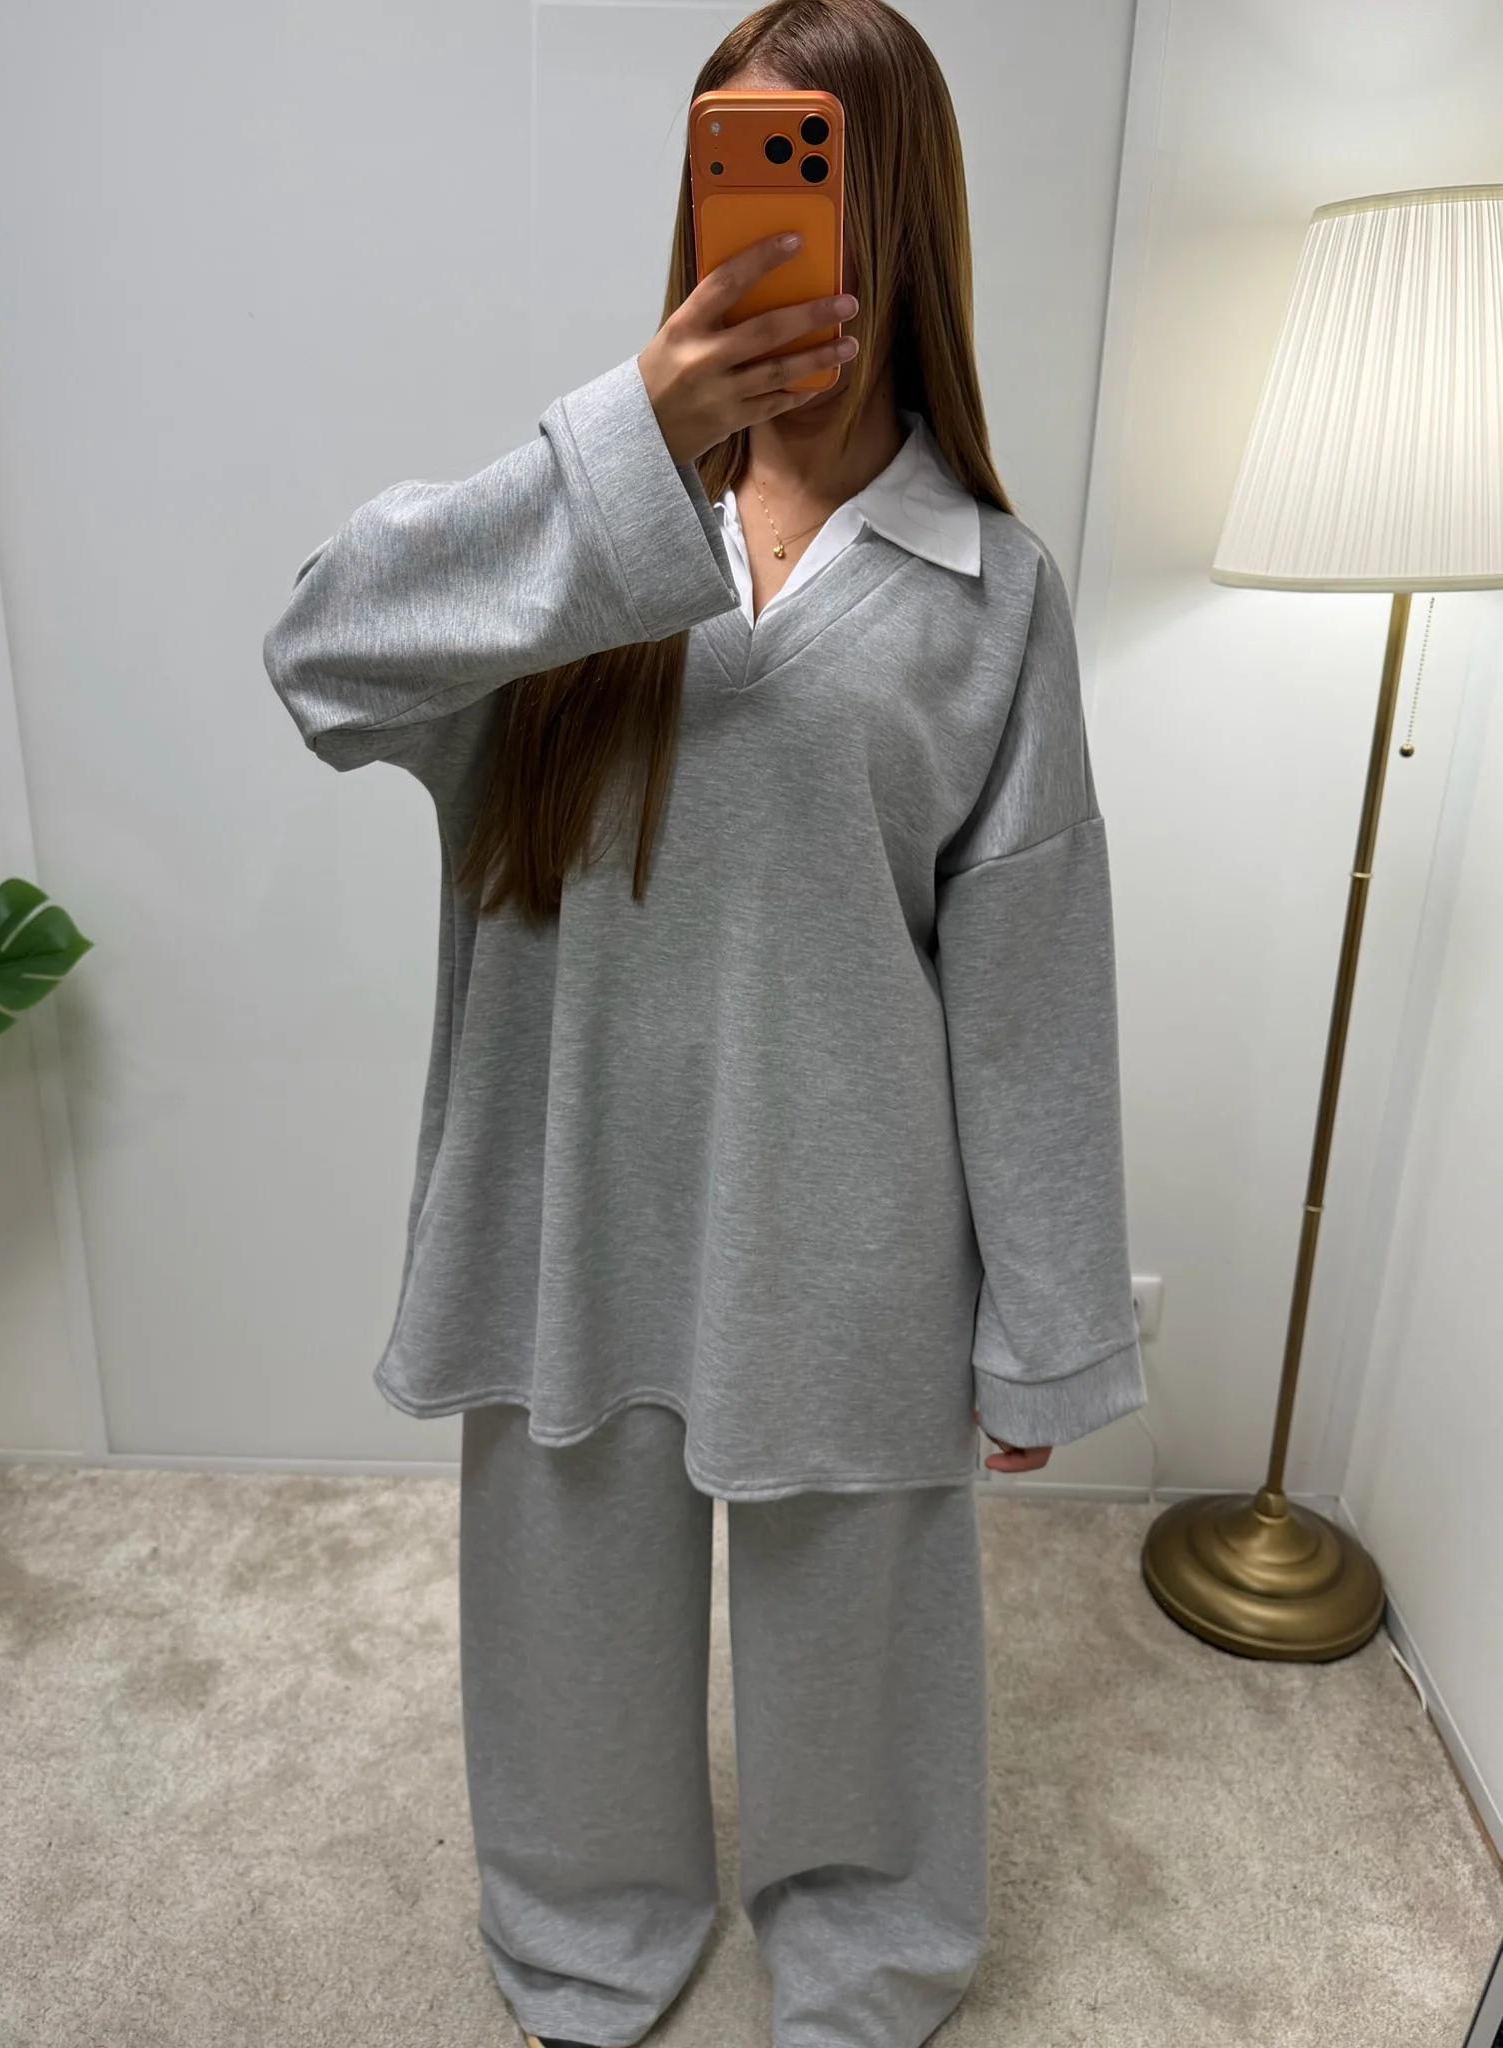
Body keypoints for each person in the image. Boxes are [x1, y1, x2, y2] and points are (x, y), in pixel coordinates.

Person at [261, 2, 1147, 2043]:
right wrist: (628, 438)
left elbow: (1030, 984)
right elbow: (320, 657)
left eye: (810, 165)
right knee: (565, 1621)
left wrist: (1039, 1319)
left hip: (848, 1229)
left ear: (890, 202)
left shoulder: (988, 592)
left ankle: (868, 1929)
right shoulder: (570, 546)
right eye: (734, 163)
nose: (764, 211)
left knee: (866, 1641)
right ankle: (587, 1922)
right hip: (573, 1203)